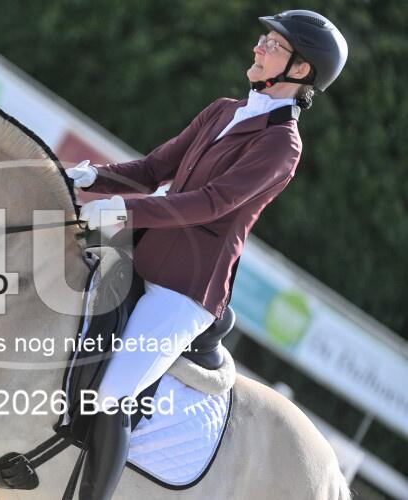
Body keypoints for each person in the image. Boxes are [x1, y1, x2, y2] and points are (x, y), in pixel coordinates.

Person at [66, 10, 347, 500]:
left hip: (185, 290)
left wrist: (121, 212)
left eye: (273, 45)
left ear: (300, 69)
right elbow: (152, 169)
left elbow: (212, 203)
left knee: (112, 394)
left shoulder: (282, 145)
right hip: (141, 259)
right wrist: (92, 177)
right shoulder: (222, 111)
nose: (258, 47)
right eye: (263, 38)